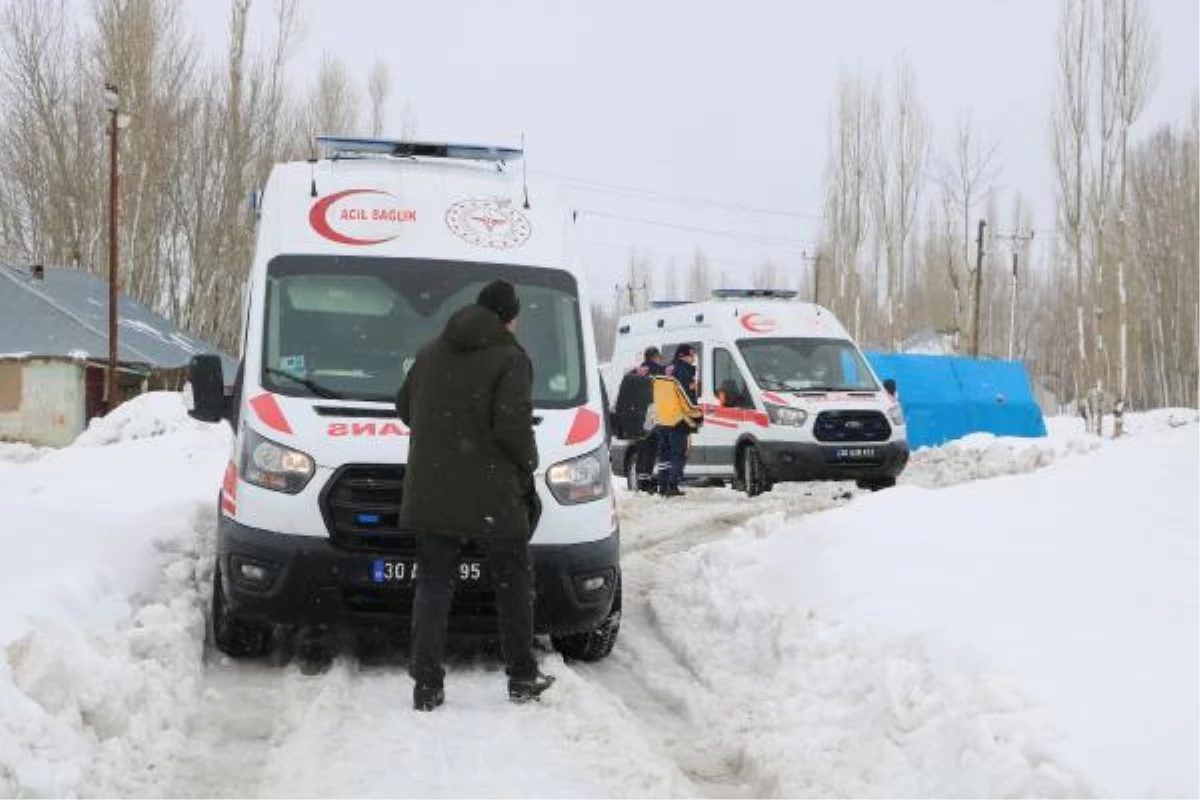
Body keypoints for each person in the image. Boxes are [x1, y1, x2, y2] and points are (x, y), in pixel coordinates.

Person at [396, 279, 554, 711]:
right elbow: (511, 428)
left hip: (433, 489)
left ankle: (426, 685)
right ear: (510, 318)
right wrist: (528, 464)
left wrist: (446, 437)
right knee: (512, 582)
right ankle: (522, 675)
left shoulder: (430, 351)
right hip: (494, 494)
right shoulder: (511, 358)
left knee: (432, 585)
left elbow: (405, 407)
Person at [654, 345, 703, 497]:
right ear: (684, 355)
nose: (693, 358)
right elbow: (687, 398)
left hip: (662, 419)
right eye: (692, 355)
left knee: (665, 454)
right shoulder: (684, 372)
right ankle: (672, 485)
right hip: (678, 420)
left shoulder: (664, 371)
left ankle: (662, 484)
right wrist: (697, 415)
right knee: (678, 454)